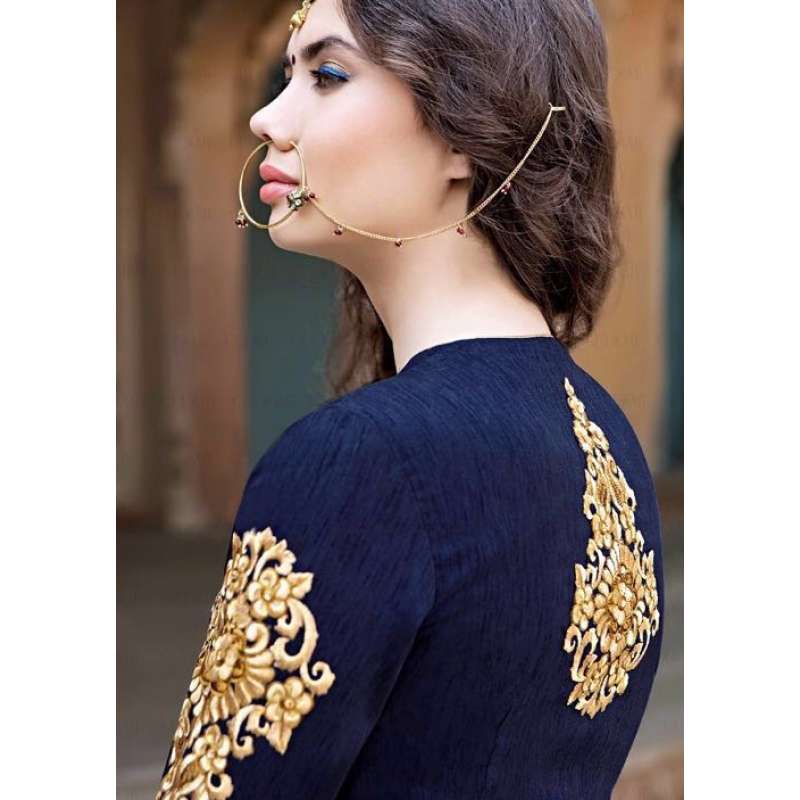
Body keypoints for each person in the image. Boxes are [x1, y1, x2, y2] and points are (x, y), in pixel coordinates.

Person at [156, 0, 665, 798]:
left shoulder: (362, 459)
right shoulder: (604, 435)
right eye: (287, 74)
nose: (265, 118)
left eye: (328, 75)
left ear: (469, 129)